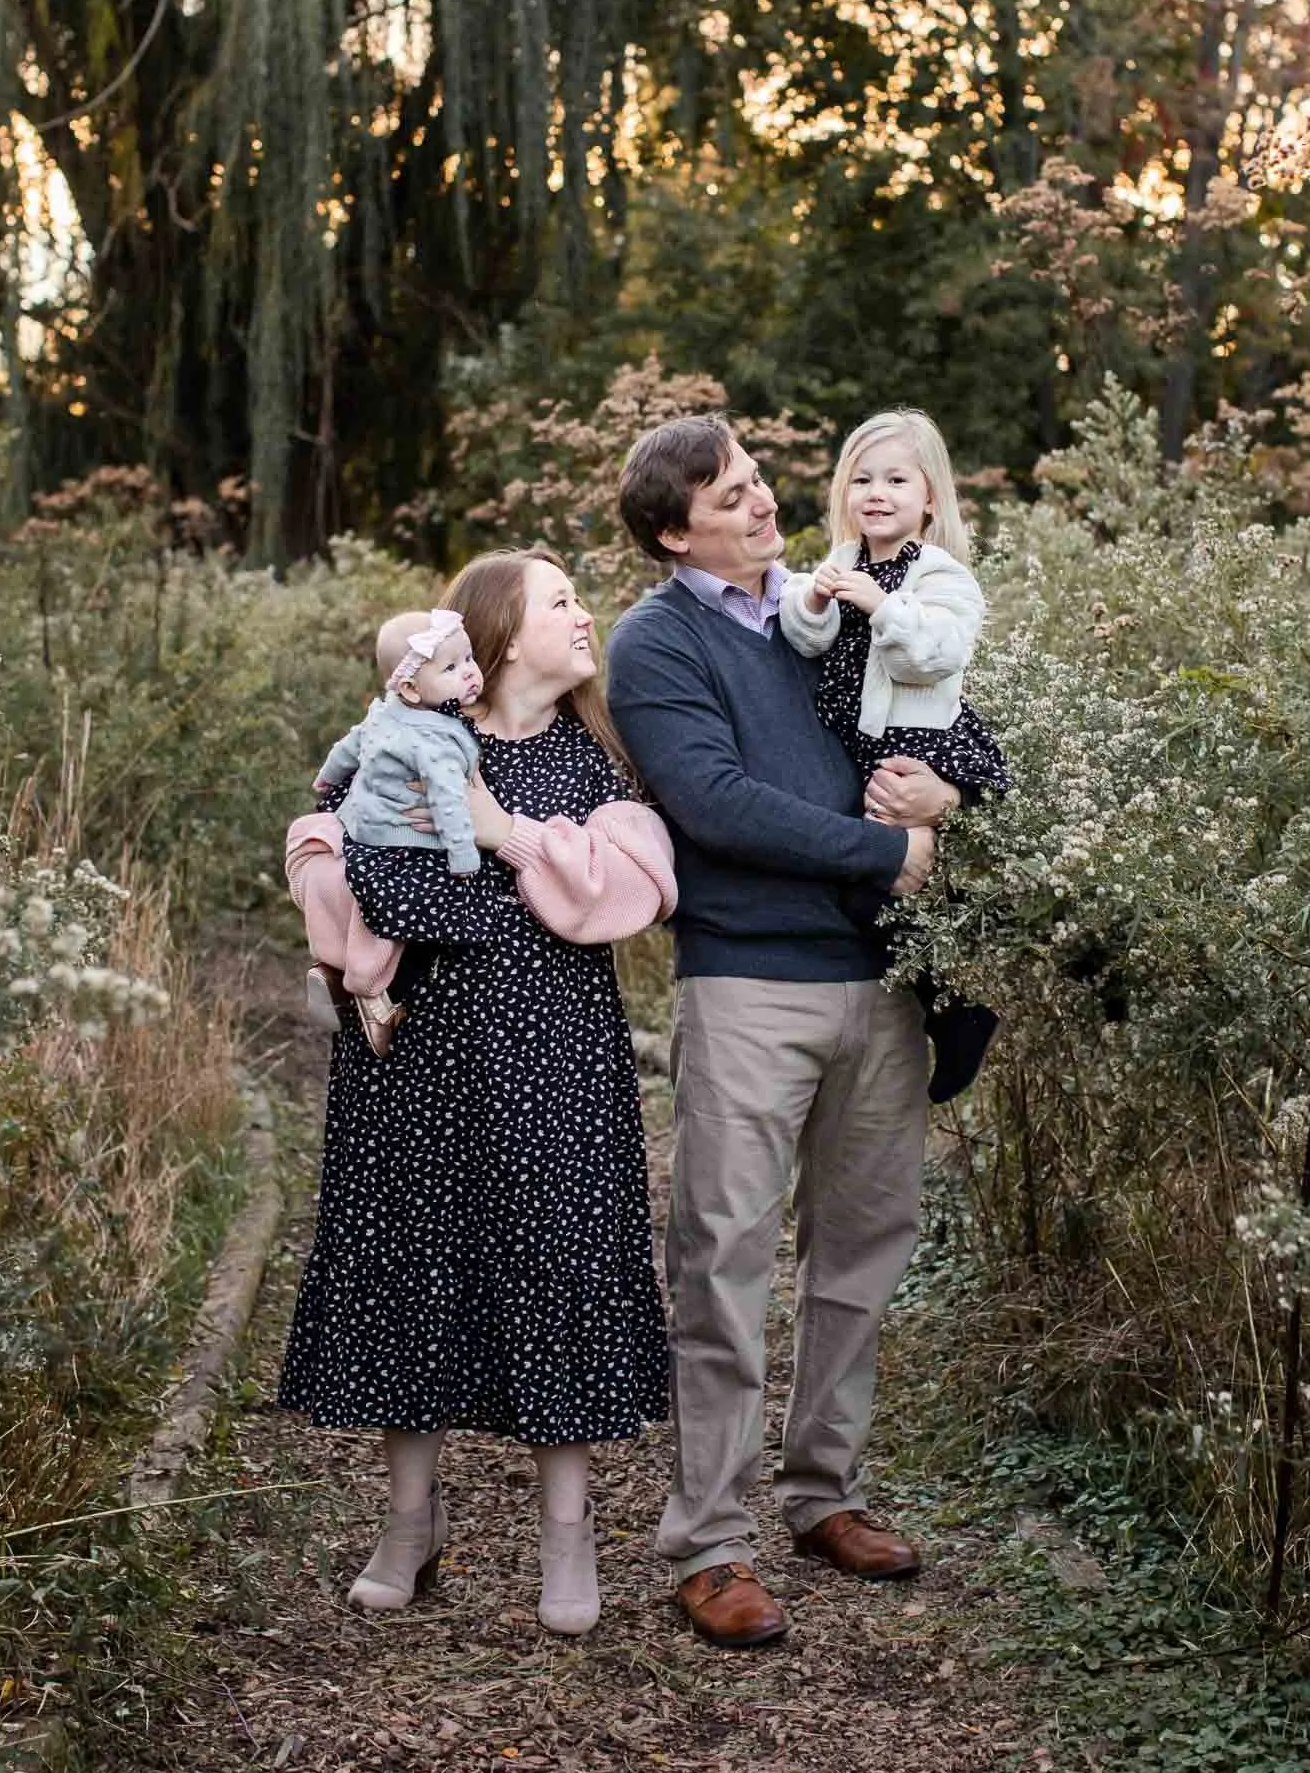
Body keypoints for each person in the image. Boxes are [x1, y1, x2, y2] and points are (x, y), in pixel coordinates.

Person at [606, 416, 962, 1650]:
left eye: (759, 483)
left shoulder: (840, 602)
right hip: (750, 980)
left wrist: (948, 795)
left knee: (861, 1255)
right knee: (722, 1259)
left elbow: (939, 721)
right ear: (671, 531)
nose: (762, 506)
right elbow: (713, 803)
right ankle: (708, 1540)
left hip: (883, 983)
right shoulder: (656, 643)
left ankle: (824, 1493)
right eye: (729, 497)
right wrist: (885, 851)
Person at [278, 550, 675, 1638]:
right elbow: (317, 829)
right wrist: (343, 892)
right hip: (411, 1058)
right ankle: (410, 1522)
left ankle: (567, 1531)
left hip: (551, 1059)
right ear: (494, 634)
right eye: (558, 600)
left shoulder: (591, 758)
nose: (581, 612)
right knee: (409, 1261)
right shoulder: (410, 735)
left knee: (554, 1260)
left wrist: (502, 833)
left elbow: (640, 883)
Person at [778, 408, 1009, 1103]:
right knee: (871, 889)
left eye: (896, 480)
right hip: (853, 745)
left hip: (916, 740)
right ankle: (939, 999)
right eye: (862, 480)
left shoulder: (939, 575)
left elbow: (932, 656)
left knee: (905, 883)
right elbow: (807, 638)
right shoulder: (841, 563)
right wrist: (814, 600)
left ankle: (957, 1010)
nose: (876, 493)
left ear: (928, 497)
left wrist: (882, 607)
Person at [292, 607, 485, 1057]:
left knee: (371, 910)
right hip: (406, 844)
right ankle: (370, 993)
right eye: (452, 668)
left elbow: (348, 748)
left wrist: (325, 778)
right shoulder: (435, 741)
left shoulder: (382, 715)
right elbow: (447, 802)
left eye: (470, 659)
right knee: (414, 926)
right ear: (412, 688)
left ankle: (335, 970)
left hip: (361, 835)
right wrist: (462, 856)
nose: (470, 674)